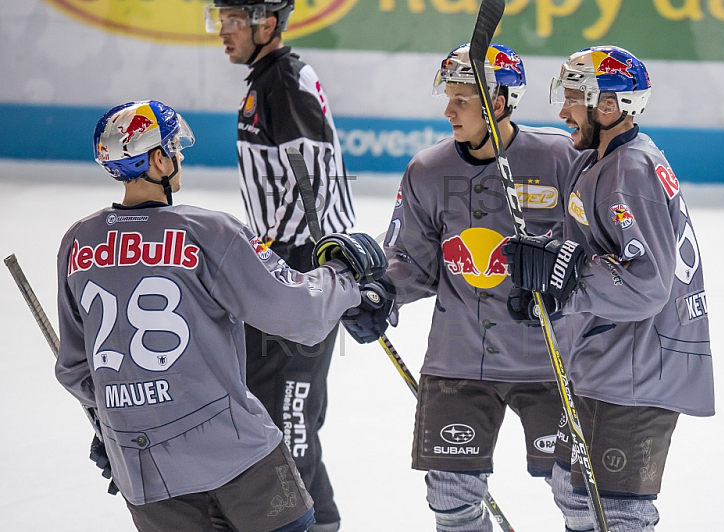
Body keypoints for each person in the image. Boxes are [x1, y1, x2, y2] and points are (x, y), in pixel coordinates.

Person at [54, 100, 386, 532]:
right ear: (157, 159)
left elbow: (77, 369)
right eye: (174, 147)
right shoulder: (209, 232)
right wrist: (344, 277)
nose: (180, 156)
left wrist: (111, 426)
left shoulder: (77, 243)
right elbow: (299, 314)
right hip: (235, 454)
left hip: (144, 468)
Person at [340, 44, 579, 531]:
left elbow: (591, 245)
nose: (448, 110)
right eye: (448, 96)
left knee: (577, 491)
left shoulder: (560, 158)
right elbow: (409, 260)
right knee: (451, 496)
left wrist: (561, 272)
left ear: (499, 101)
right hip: (459, 358)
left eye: (463, 99)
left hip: (551, 359)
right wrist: (376, 293)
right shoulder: (427, 169)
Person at [504, 46, 715, 531]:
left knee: (617, 514)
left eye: (573, 99)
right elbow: (594, 250)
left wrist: (566, 281)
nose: (561, 112)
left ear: (608, 106)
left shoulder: (629, 171)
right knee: (573, 492)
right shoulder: (603, 159)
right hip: (613, 362)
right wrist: (549, 274)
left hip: (639, 374)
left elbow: (647, 284)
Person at [204, 3, 355, 529]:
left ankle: (318, 521)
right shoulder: (267, 79)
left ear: (266, 24)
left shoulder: (283, 82)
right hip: (281, 263)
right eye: (218, 18)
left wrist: (330, 273)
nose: (222, 31)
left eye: (231, 20)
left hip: (302, 266)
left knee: (288, 412)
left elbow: (314, 177)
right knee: (266, 403)